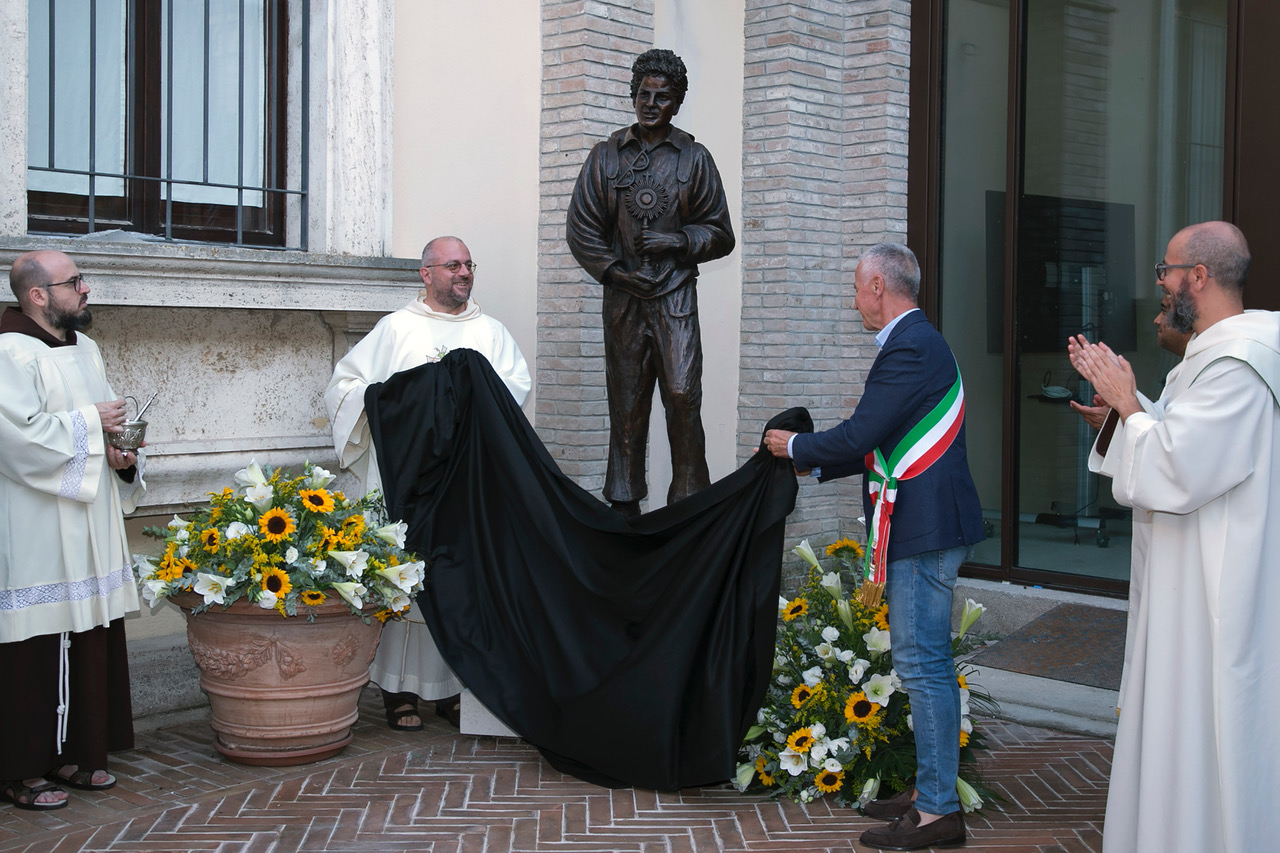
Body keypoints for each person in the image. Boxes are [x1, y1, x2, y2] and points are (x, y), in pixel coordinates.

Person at [762, 242, 984, 851]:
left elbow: (864, 432)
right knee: (923, 665)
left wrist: (797, 449)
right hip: (926, 525)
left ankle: (938, 813)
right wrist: (818, 460)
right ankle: (930, 788)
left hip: (923, 530)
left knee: (922, 667)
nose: (855, 299)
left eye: (858, 287)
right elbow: (886, 438)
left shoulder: (909, 344)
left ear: (880, 285)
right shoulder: (918, 342)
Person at [1069, 221, 1280, 853]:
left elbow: (1185, 471)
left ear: (1199, 276)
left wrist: (1131, 406)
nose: (1159, 284)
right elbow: (1182, 442)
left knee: (1202, 727)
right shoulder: (1211, 357)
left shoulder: (1241, 364)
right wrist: (1123, 418)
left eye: (1166, 270)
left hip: (1214, 596)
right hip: (1186, 580)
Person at [324, 236, 530, 731]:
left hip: (467, 482)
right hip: (408, 479)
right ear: (426, 274)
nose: (463, 273)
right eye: (452, 265)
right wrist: (412, 399)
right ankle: (398, 691)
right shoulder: (396, 329)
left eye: (468, 264)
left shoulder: (492, 332)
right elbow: (347, 388)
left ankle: (455, 688)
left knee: (459, 582)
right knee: (405, 575)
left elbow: (513, 393)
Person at [0, 250, 143, 811]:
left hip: (88, 514)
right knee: (35, 638)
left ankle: (76, 754)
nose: (86, 290)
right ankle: (20, 769)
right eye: (74, 282)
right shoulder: (8, 351)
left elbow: (94, 429)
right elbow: (16, 439)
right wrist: (91, 424)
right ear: (38, 295)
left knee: (88, 629)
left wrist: (121, 453)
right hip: (33, 517)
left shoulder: (86, 348)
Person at [566, 48, 735, 518]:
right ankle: (623, 502)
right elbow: (582, 227)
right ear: (633, 95)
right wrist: (618, 272)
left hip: (674, 297)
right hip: (623, 297)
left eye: (661, 97)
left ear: (677, 102)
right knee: (626, 400)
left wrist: (677, 241)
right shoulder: (606, 157)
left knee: (682, 395)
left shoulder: (694, 158)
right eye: (643, 94)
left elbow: (721, 232)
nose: (650, 103)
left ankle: (689, 499)